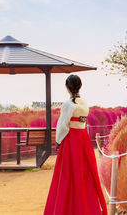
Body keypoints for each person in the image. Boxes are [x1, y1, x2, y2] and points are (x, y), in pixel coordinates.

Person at [44, 74, 108, 215]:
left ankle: (66, 209)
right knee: (85, 174)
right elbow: (80, 123)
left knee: (66, 176)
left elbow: (62, 126)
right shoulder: (84, 104)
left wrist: (58, 141)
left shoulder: (68, 104)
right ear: (80, 87)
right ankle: (85, 208)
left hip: (70, 140)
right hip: (83, 140)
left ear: (67, 87)